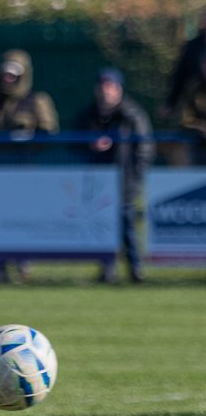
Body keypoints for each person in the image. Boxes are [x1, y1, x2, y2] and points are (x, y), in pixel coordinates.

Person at [0, 49, 59, 283]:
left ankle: (21, 266)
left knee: (19, 221)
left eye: (14, 75)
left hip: (23, 172)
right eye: (5, 74)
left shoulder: (36, 100)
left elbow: (49, 133)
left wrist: (28, 139)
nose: (8, 79)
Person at [76, 68, 154, 284]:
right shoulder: (89, 114)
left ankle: (135, 270)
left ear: (119, 89)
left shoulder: (132, 114)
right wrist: (90, 145)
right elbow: (74, 142)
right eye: (103, 86)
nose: (106, 91)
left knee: (127, 226)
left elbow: (145, 147)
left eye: (110, 86)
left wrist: (136, 174)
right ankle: (106, 270)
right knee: (102, 228)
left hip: (125, 179)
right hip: (98, 182)